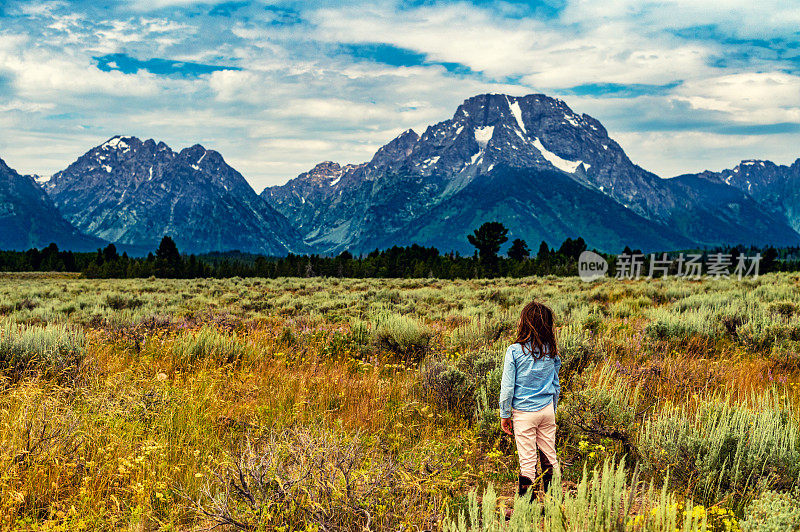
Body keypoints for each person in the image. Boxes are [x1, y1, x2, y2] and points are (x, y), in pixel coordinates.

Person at [499, 301, 561, 499]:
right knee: (550, 456)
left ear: (524, 323)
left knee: (527, 461)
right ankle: (553, 502)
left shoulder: (515, 351)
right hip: (547, 410)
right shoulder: (551, 351)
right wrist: (552, 409)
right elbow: (556, 386)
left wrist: (505, 414)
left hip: (524, 413)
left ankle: (527, 508)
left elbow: (507, 388)